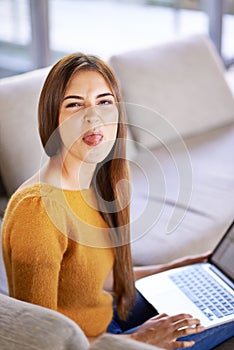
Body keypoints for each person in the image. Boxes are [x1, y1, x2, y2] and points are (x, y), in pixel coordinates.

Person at [1, 53, 233, 350]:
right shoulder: (39, 213)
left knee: (221, 301)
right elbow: (40, 341)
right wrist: (138, 339)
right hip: (94, 343)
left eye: (104, 102)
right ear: (51, 115)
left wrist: (182, 265)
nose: (93, 117)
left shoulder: (93, 182)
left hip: (105, 322)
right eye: (74, 104)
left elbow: (99, 278)